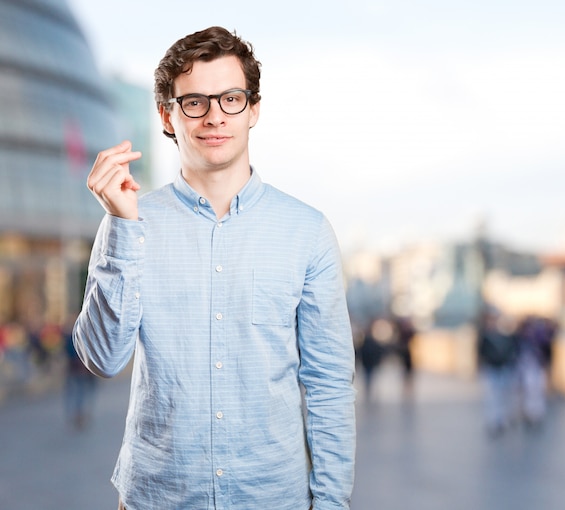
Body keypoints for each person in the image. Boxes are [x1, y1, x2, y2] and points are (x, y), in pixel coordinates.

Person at [73, 26, 356, 510]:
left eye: (230, 98)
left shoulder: (306, 232)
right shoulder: (128, 221)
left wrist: (331, 504)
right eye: (194, 102)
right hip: (156, 497)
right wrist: (121, 225)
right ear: (167, 115)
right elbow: (102, 359)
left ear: (254, 109)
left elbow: (329, 385)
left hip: (272, 497)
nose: (214, 117)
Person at [476, 306, 519, 437]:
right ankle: (493, 421)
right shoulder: (485, 335)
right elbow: (480, 352)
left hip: (503, 368)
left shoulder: (505, 334)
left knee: (503, 396)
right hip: (491, 368)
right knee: (492, 396)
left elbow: (512, 350)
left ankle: (501, 420)